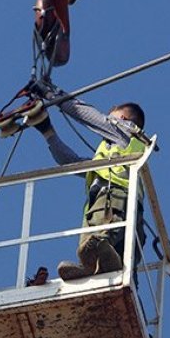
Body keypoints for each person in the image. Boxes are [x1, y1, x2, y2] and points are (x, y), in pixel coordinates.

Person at [31, 86, 148, 280]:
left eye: (112, 116)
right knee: (111, 252)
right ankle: (93, 267)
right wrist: (47, 130)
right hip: (122, 213)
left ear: (124, 119)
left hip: (115, 199)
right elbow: (71, 162)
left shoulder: (127, 133)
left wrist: (52, 95)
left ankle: (95, 260)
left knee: (98, 239)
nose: (107, 121)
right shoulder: (110, 156)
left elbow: (87, 115)